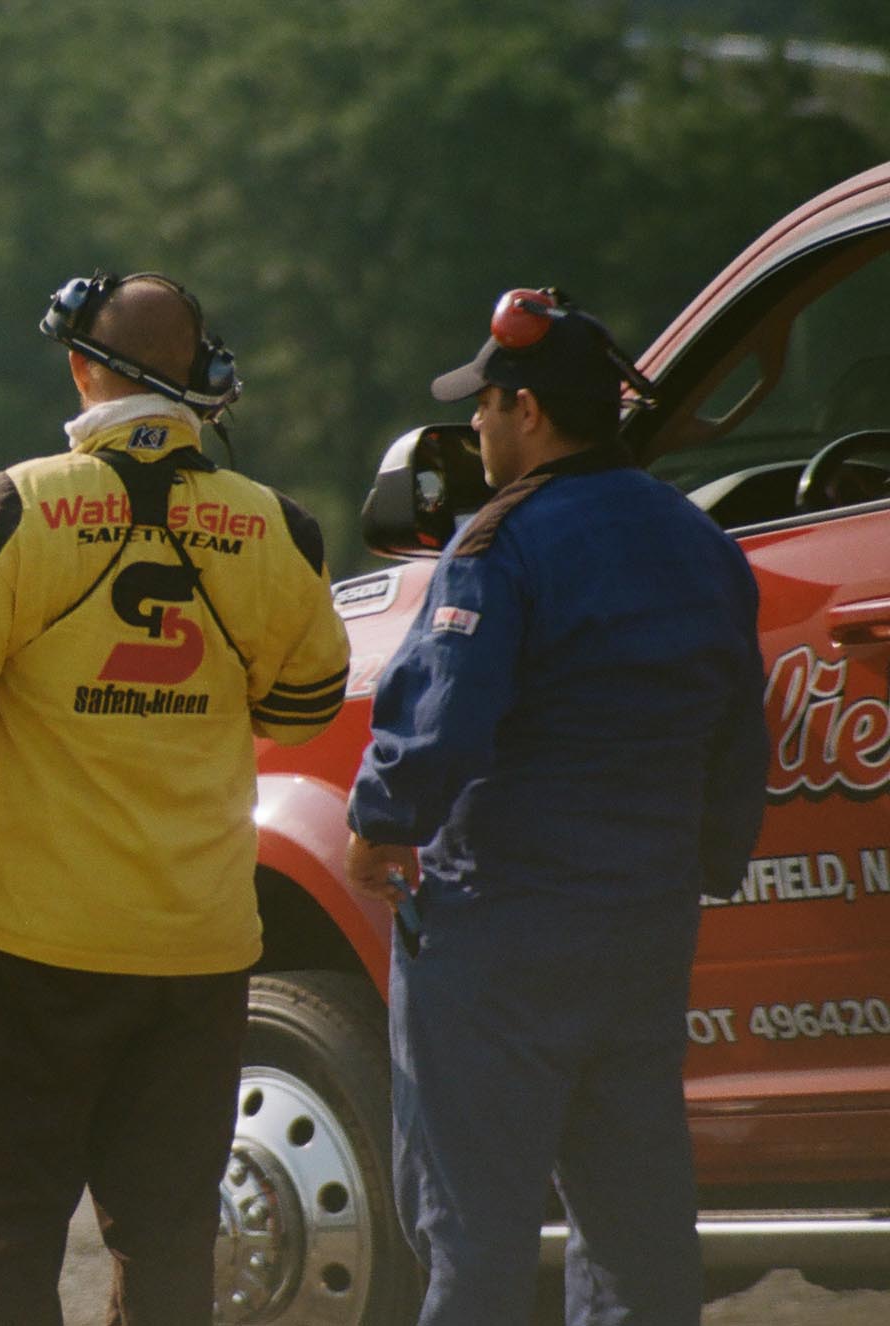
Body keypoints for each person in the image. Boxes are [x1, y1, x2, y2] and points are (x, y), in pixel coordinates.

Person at [0, 272, 351, 1324]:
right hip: (194, 944)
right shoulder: (278, 529)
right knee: (165, 1238)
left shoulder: (13, 509)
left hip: (28, 944)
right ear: (206, 380)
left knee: (1, 1230)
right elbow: (304, 704)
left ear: (77, 368)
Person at [343, 288, 770, 1326]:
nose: (474, 427)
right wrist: (702, 864)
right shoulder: (698, 542)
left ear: (525, 410)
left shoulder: (503, 545)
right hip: (642, 926)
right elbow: (735, 734)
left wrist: (378, 820)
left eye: (483, 406)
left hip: (500, 930)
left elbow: (443, 714)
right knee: (635, 1230)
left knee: (470, 1233)